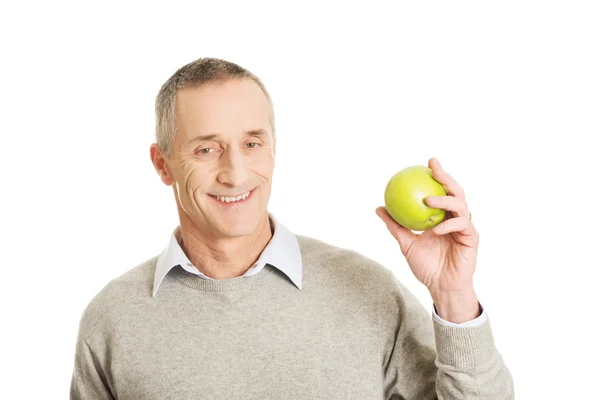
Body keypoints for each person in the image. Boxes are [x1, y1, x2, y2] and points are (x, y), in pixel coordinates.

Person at [70, 57, 514, 399]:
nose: (235, 172)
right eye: (206, 149)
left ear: (273, 148)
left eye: (251, 143)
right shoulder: (112, 320)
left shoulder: (368, 290)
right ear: (162, 164)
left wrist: (454, 295)